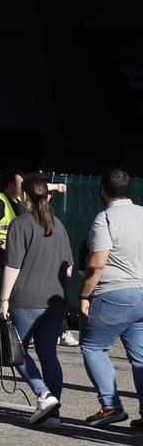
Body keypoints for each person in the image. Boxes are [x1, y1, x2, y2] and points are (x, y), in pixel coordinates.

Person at [0, 175, 70, 424]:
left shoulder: (20, 224)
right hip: (55, 301)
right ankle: (53, 413)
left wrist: (4, 299)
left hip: (27, 299)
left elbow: (13, 265)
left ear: (24, 196)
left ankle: (43, 393)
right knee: (48, 353)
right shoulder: (58, 225)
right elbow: (68, 269)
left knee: (16, 351)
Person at [78, 167, 143, 428]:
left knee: (93, 347)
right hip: (141, 293)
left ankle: (110, 406)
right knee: (140, 358)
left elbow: (96, 265)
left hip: (113, 294)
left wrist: (84, 294)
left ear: (103, 190)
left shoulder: (105, 219)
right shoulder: (142, 214)